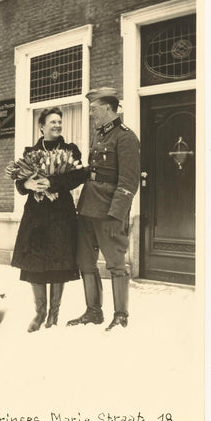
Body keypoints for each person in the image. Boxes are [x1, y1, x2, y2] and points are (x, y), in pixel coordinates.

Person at [67, 87, 140, 331]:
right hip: (88, 208)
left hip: (109, 211)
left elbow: (129, 181)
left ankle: (121, 315)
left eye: (93, 109)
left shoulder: (126, 137)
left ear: (108, 108)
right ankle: (93, 311)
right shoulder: (99, 135)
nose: (90, 114)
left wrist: (116, 214)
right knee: (85, 262)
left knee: (116, 264)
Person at [11, 107, 88, 332]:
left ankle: (54, 313)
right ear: (41, 126)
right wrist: (28, 184)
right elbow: (19, 182)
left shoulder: (70, 150)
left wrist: (52, 184)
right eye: (52, 122)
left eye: (59, 122)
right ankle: (40, 312)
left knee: (59, 261)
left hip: (61, 214)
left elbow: (78, 176)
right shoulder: (30, 152)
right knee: (34, 263)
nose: (57, 125)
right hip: (36, 215)